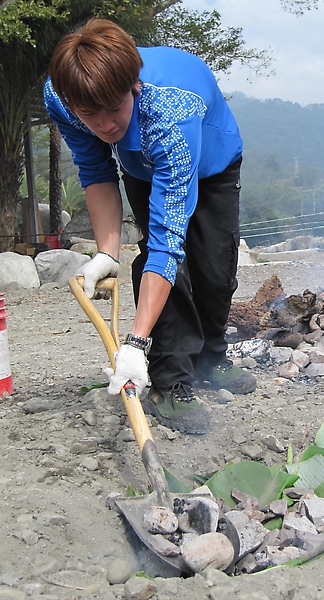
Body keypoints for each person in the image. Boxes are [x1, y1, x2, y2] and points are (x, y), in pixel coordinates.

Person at [44, 18, 256, 434]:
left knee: (214, 271)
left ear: (134, 88)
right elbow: (95, 169)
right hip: (142, 165)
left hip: (212, 163)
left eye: (114, 108)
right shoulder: (62, 95)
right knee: (166, 271)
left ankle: (211, 357)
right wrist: (107, 251)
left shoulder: (171, 111)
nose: (104, 125)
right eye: (90, 114)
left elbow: (167, 243)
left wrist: (133, 342)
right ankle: (171, 379)